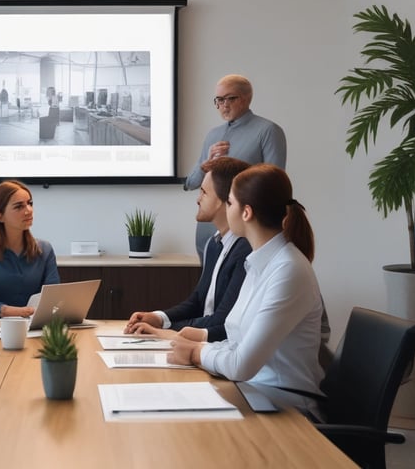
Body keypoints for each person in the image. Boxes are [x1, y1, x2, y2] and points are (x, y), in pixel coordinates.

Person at [169, 164, 324, 399]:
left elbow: (241, 365)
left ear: (246, 212)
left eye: (229, 202)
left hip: (285, 402)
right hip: (254, 390)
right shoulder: (259, 263)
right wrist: (199, 344)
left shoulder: (288, 270)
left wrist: (195, 353)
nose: (226, 208)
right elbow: (235, 342)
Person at [124, 157, 251, 341]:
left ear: (224, 200)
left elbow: (222, 321)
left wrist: (166, 331)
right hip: (204, 345)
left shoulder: (246, 250)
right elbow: (198, 301)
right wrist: (159, 318)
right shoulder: (214, 245)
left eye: (203, 192)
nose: (198, 199)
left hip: (217, 347)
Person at [184, 74, 287, 258]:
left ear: (247, 98)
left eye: (230, 98)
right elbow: (189, 184)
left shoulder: (268, 131)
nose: (224, 104)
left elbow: (274, 184)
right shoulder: (213, 135)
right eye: (219, 99)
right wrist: (205, 165)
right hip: (208, 230)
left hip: (243, 229)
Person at [0, 180, 60, 319]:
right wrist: (23, 312)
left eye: (30, 203)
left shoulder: (45, 249)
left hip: (36, 328)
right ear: (0, 216)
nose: (28, 210)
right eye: (19, 207)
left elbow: (53, 299)